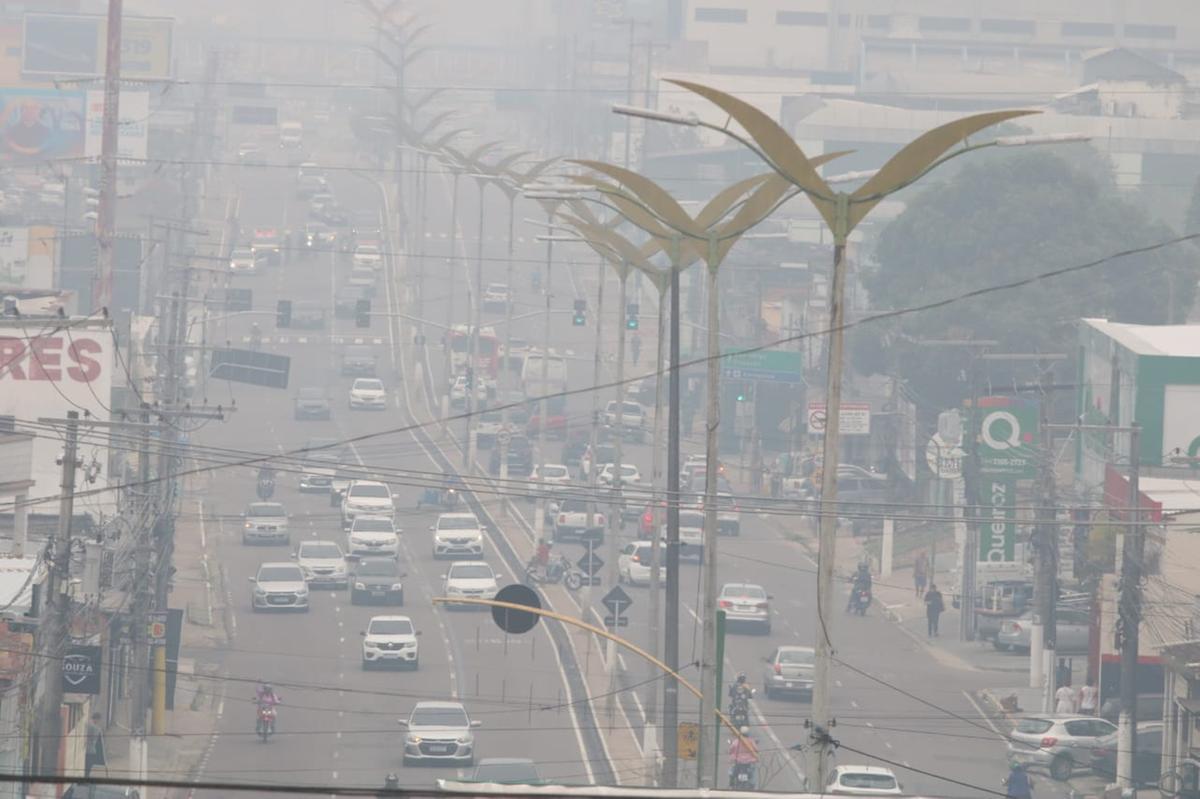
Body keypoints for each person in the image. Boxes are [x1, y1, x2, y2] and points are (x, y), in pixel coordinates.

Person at [84, 712, 105, 778]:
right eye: (99, 720)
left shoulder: (86, 724)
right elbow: (94, 740)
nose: (99, 721)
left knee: (85, 765)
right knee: (88, 766)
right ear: (96, 719)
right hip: (90, 750)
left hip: (84, 749)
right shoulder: (96, 728)